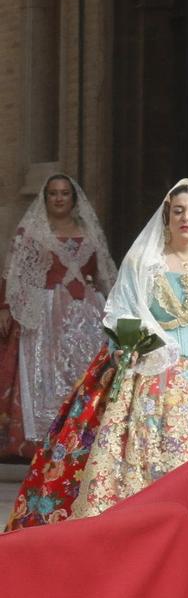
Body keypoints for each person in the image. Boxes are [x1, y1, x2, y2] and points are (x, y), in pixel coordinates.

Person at [7, 179, 188, 528]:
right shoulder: (145, 262)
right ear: (167, 216)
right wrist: (129, 347)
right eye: (178, 211)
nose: (186, 219)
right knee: (150, 452)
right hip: (155, 370)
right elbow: (124, 314)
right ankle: (150, 523)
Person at [2, 173, 115, 445]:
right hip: (47, 313)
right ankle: (46, 439)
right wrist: (6, 307)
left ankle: (83, 435)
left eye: (64, 193)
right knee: (48, 375)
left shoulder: (89, 230)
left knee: (85, 372)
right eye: (53, 193)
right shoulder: (32, 232)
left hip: (87, 313)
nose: (59, 198)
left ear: (73, 198)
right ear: (45, 197)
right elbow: (16, 274)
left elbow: (105, 274)